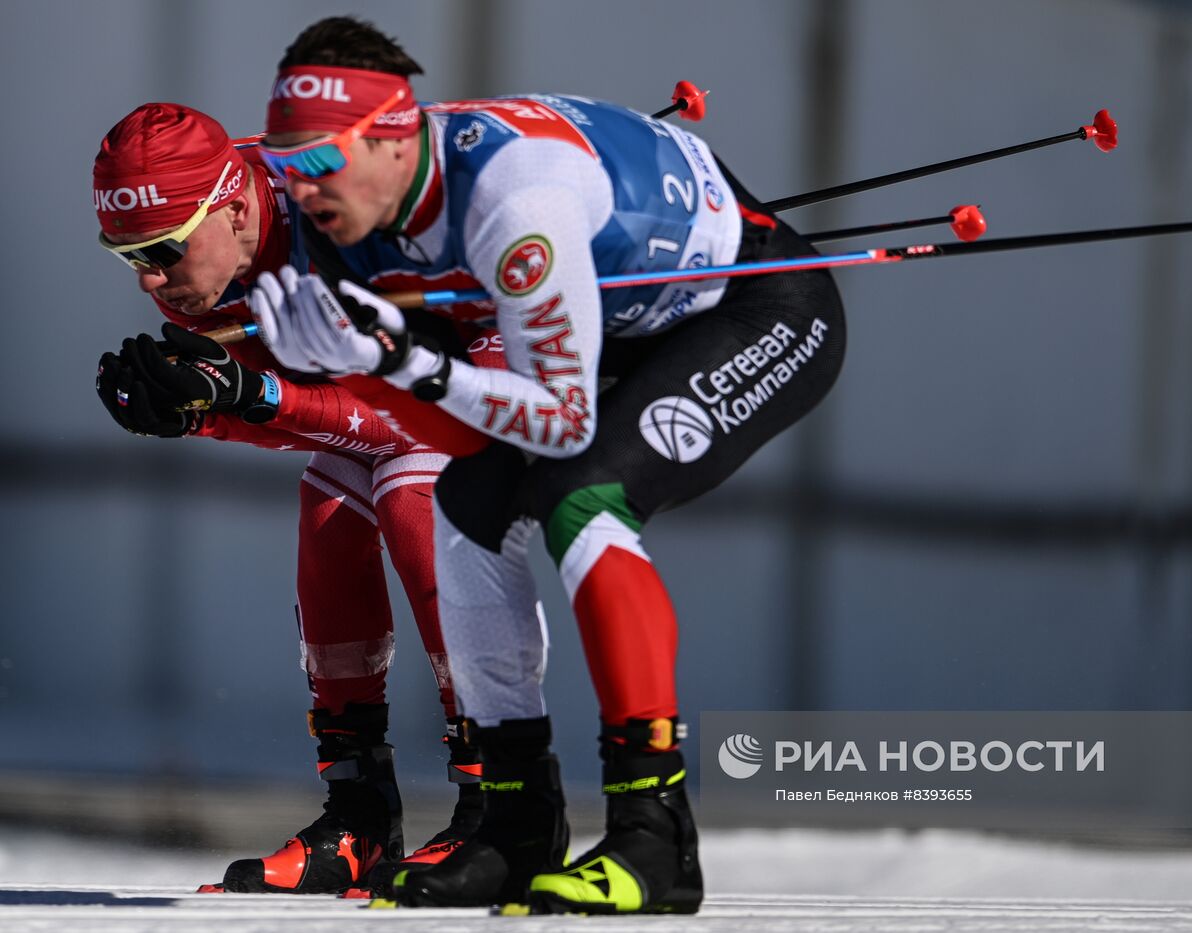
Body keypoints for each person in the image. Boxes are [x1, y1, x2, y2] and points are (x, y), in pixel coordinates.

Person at [248, 16, 847, 915]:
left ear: (393, 136)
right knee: (467, 504)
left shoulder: (512, 202)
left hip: (755, 306)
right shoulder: (351, 209)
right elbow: (454, 433)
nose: (300, 188)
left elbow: (561, 421)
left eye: (317, 161)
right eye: (284, 164)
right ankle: (517, 822)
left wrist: (403, 360)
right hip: (634, 327)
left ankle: (657, 838)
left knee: (584, 498)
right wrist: (358, 364)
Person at [90, 102, 543, 897]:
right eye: (126, 255)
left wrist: (246, 392)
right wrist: (203, 410)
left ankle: (503, 803)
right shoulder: (214, 252)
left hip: (514, 338)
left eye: (162, 251)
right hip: (419, 371)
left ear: (233, 208)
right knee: (334, 501)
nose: (150, 280)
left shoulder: (336, 225)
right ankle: (360, 809)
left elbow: (408, 418)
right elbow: (323, 416)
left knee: (411, 493)